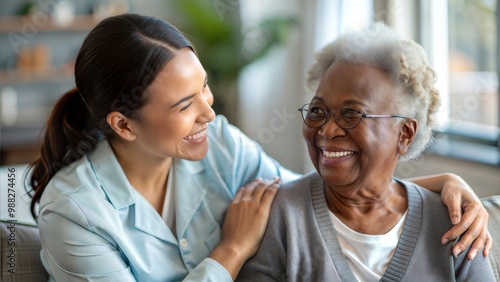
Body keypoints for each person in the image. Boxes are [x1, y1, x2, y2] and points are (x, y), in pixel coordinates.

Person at [27, 14, 490, 282]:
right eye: (186, 104)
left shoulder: (220, 144)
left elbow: (312, 192)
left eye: (205, 89)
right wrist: (229, 252)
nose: (210, 113)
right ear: (124, 125)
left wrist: (436, 187)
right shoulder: (73, 214)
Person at [237, 23, 495, 282]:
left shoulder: (456, 224)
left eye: (352, 113)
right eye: (317, 111)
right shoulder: (281, 217)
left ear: (404, 133)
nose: (327, 130)